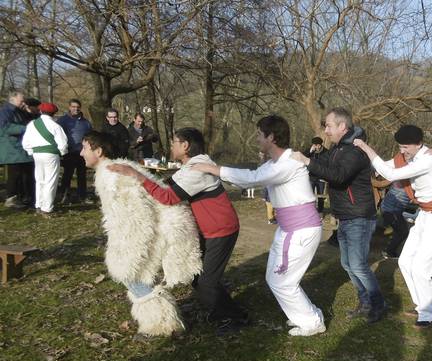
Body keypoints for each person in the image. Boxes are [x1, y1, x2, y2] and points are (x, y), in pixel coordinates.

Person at [193, 115, 326, 337]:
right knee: (275, 279)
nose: (256, 139)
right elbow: (255, 175)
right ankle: (305, 318)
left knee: (282, 281)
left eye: (259, 135)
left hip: (301, 230)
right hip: (288, 229)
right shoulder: (276, 163)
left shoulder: (289, 163)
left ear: (271, 137)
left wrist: (213, 169)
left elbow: (252, 178)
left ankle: (312, 322)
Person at [107, 127, 249, 334]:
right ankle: (224, 310)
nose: (171, 145)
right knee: (197, 276)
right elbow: (165, 185)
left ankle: (234, 318)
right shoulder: (191, 166)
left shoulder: (199, 170)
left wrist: (137, 175)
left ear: (185, 145)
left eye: (174, 141)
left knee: (206, 282)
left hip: (221, 230)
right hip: (209, 229)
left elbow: (168, 197)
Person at [80, 130, 201, 337]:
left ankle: (165, 325)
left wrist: (129, 249)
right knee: (136, 278)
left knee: (134, 277)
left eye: (84, 148)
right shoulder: (111, 171)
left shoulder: (112, 175)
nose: (81, 153)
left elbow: (137, 215)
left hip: (148, 232)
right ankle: (161, 323)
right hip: (148, 229)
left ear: (98, 151)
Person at [291, 108, 386, 323]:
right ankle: (365, 302)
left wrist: (308, 162)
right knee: (348, 264)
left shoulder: (354, 151)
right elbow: (325, 165)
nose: (326, 130)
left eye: (329, 126)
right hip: (346, 216)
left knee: (358, 265)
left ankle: (378, 304)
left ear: (343, 127)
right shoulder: (338, 149)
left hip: (359, 216)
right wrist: (312, 155)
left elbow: (339, 176)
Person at [354, 125, 432, 328]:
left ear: (418, 144)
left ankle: (429, 314)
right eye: (400, 146)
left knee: (420, 268)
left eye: (406, 147)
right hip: (425, 215)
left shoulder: (427, 160)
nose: (402, 151)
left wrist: (365, 147)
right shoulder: (408, 157)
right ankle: (421, 306)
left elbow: (389, 173)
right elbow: (381, 166)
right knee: (406, 261)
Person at [21, 102, 68, 215]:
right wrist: (62, 153)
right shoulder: (56, 126)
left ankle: (39, 205)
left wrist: (31, 152)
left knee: (40, 180)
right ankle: (47, 208)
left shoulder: (32, 124)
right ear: (53, 113)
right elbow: (63, 144)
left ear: (41, 111)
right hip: (51, 154)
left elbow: (26, 142)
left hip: (37, 155)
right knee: (50, 181)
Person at [0, 90, 34, 209]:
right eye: (22, 100)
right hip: (12, 148)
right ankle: (11, 198)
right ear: (13, 99)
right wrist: (26, 128)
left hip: (19, 148)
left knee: (23, 174)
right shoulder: (6, 111)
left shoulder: (19, 111)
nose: (23, 102)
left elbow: (30, 121)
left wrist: (29, 113)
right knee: (14, 174)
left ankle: (21, 197)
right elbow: (5, 127)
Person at [56, 99, 93, 204]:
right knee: (67, 175)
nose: (75, 109)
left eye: (77, 107)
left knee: (82, 175)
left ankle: (82, 196)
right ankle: (64, 195)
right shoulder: (62, 121)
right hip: (69, 152)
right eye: (73, 106)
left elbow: (90, 136)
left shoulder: (85, 123)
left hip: (82, 153)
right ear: (69, 107)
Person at [303, 136, 327, 213]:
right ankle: (310, 211)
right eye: (315, 145)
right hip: (311, 177)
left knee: (321, 196)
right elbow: (303, 157)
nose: (317, 147)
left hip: (321, 177)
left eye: (318, 145)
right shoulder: (310, 151)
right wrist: (310, 151)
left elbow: (328, 164)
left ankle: (320, 211)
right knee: (310, 195)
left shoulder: (326, 152)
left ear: (320, 145)